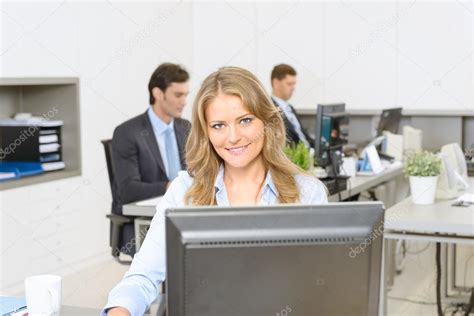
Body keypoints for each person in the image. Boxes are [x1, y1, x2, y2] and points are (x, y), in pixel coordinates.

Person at [103, 66, 327, 316]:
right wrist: (119, 311)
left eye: (245, 120)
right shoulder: (185, 191)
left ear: (267, 121)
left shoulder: (307, 192)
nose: (232, 138)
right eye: (218, 125)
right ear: (206, 132)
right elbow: (143, 276)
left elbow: (319, 286)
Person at [110, 63, 191, 256]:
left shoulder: (185, 127)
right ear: (158, 93)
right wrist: (170, 186)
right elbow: (129, 190)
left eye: (186, 95)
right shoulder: (128, 132)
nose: (185, 101)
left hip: (183, 213)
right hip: (143, 222)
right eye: (178, 95)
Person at [271, 63, 314, 148]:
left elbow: (305, 137)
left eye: (294, 84)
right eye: (289, 84)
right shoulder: (270, 109)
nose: (293, 88)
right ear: (275, 83)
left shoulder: (289, 108)